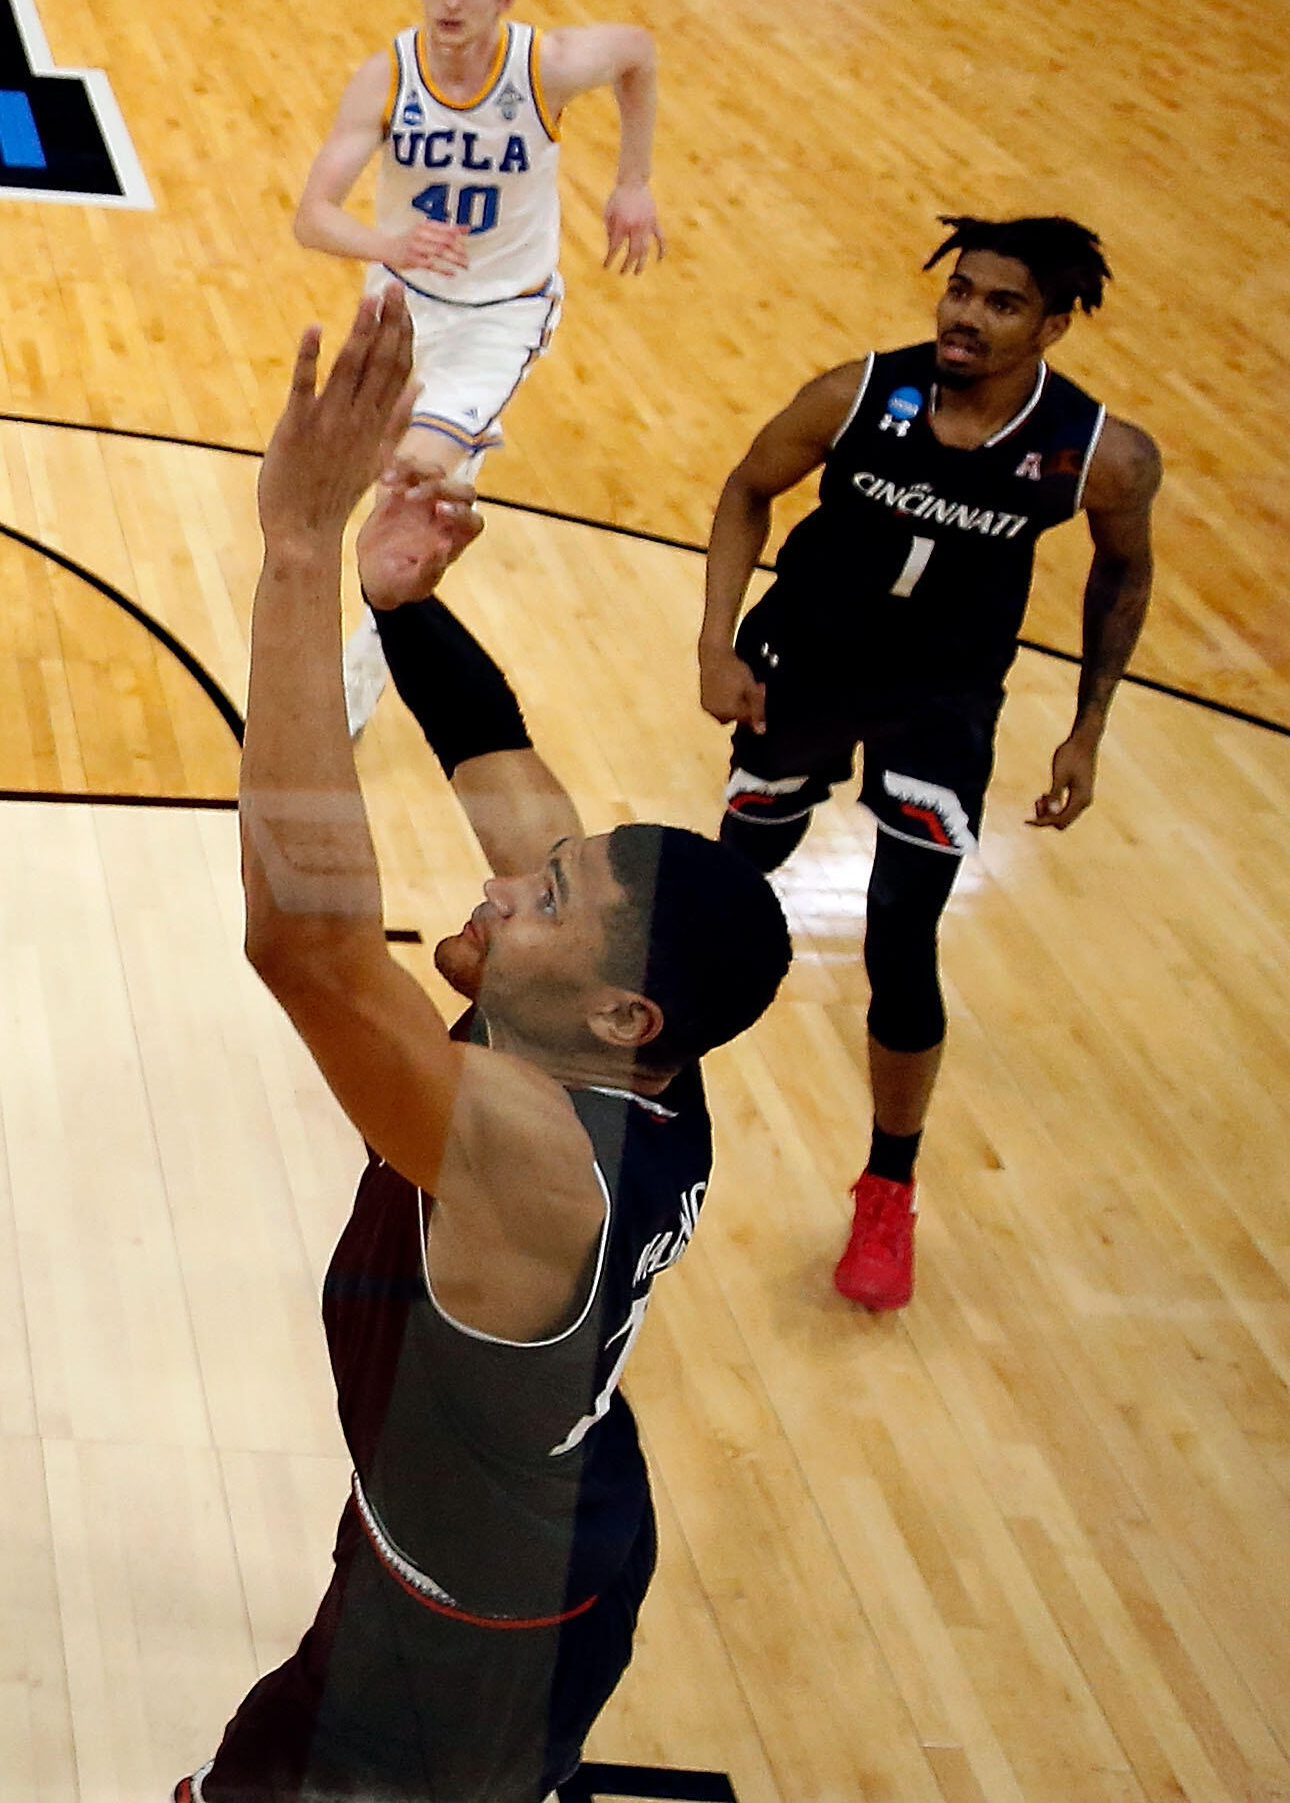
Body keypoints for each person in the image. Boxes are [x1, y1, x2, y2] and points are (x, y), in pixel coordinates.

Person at [188, 286, 790, 1801]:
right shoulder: (616, 1021)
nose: (506, 873)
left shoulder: (536, 1158)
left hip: (470, 1632)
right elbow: (494, 760)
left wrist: (302, 552)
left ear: (619, 1015)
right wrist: (404, 604)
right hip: (522, 1513)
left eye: (545, 896)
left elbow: (305, 943)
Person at [698, 215, 1159, 1311]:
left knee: (901, 941)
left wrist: (1086, 726)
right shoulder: (856, 393)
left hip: (940, 704)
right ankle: (626, 1086)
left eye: (999, 303)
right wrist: (713, 641)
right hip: (802, 666)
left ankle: (886, 1189)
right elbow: (745, 488)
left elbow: (1122, 576)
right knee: (725, 886)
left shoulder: (1099, 452)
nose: (964, 314)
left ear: (1050, 326)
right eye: (959, 290)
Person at [294, 0, 663, 730]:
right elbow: (313, 217)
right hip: (402, 303)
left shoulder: (548, 65)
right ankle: (384, 573)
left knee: (408, 481)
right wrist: (390, 240)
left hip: (504, 314)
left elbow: (638, 52)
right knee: (358, 476)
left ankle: (351, 687)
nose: (452, 0)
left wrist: (632, 180)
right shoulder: (387, 75)